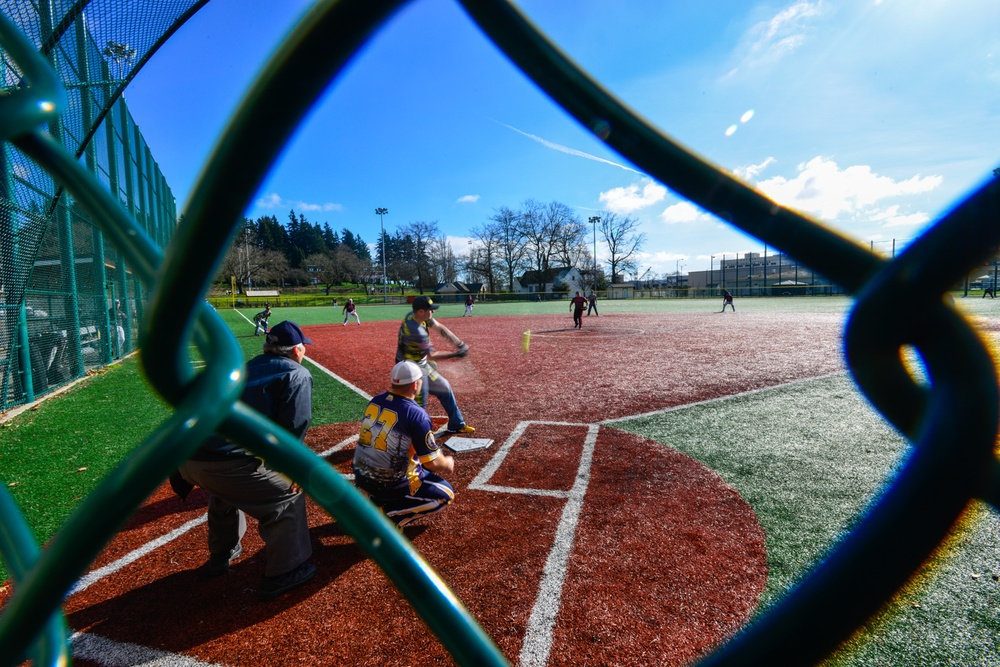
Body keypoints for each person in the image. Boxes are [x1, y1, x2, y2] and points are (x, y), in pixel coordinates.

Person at [179, 321, 316, 601]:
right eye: (302, 348)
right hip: (225, 463)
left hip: (188, 458)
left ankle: (222, 555)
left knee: (225, 492)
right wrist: (291, 472)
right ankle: (283, 573)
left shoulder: (245, 366)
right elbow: (292, 429)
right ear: (296, 350)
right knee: (286, 500)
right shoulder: (297, 373)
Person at [352, 360, 456, 527]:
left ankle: (375, 498)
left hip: (362, 475)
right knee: (445, 494)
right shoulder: (416, 414)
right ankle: (390, 517)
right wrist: (447, 463)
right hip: (390, 483)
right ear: (415, 385)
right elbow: (432, 463)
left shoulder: (376, 400)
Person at [396, 295, 474, 434]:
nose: (433, 312)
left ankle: (456, 424)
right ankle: (415, 437)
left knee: (444, 387)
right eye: (430, 310)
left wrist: (458, 343)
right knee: (420, 400)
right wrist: (455, 354)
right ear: (421, 311)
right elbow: (432, 355)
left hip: (420, 364)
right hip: (410, 369)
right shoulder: (417, 331)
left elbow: (439, 327)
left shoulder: (416, 316)